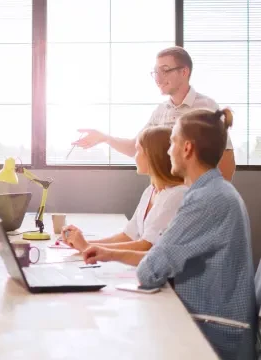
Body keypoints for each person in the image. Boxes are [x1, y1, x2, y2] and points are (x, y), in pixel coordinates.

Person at [83, 109, 256, 359]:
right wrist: (108, 253)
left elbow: (150, 271)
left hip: (216, 333)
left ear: (187, 148)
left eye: (172, 141)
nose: (167, 150)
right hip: (215, 322)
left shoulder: (204, 200)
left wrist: (112, 254)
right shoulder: (215, 191)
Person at [72, 46, 236, 181]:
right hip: (165, 193)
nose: (158, 78)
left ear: (184, 72)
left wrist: (207, 200)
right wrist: (104, 138)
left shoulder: (206, 107)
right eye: (156, 72)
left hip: (192, 197)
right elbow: (135, 148)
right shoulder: (160, 111)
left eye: (165, 70)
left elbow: (226, 161)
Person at [61, 127, 187, 266]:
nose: (134, 156)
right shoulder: (150, 190)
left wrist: (87, 247)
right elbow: (127, 236)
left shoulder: (177, 195)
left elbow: (145, 246)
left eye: (138, 150)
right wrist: (82, 243)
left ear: (152, 155)